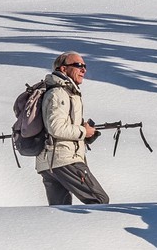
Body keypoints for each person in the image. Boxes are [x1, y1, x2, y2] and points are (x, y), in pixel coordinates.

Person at [37, 52, 110, 206]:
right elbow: (56, 128)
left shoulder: (63, 91)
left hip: (51, 161)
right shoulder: (59, 93)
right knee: (99, 201)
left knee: (61, 210)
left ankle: (65, 231)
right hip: (64, 159)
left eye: (85, 66)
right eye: (78, 65)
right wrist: (84, 132)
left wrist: (85, 133)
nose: (83, 69)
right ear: (63, 69)